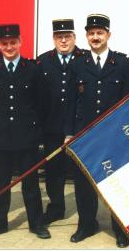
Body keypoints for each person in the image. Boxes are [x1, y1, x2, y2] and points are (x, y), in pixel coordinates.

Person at [64, 14, 129, 247]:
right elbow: (71, 101)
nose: (95, 37)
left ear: (108, 35)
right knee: (84, 182)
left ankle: (120, 229)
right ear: (86, 36)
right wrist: (69, 132)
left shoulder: (121, 63)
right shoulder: (78, 63)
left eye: (99, 33)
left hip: (113, 135)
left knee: (116, 181)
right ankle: (86, 224)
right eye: (91, 33)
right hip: (86, 135)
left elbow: (128, 102)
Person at [0, 24, 50, 239]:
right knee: (0, 184)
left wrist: (36, 133)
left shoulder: (33, 69)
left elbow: (41, 104)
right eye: (4, 43)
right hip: (0, 137)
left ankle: (36, 224)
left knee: (30, 184)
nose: (9, 47)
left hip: (26, 137)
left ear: (20, 42)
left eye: (13, 42)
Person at [36, 19, 83, 225]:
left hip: (79, 126)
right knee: (54, 170)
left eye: (67, 36)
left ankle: (86, 213)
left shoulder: (86, 59)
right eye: (59, 37)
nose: (63, 41)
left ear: (74, 37)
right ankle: (56, 208)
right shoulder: (43, 61)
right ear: (54, 39)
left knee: (81, 173)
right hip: (53, 127)